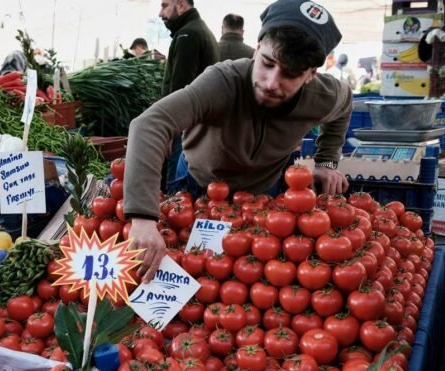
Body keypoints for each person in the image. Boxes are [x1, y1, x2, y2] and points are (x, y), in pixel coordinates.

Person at [124, 0, 352, 282]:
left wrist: (327, 161)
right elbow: (150, 124)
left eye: (290, 74)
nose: (271, 82)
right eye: (267, 63)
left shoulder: (323, 95)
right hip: (198, 184)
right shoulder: (223, 82)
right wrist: (143, 218)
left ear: (310, 75)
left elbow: (345, 105)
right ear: (257, 49)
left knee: (249, 278)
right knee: (193, 274)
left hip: (264, 196)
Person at [158, 0, 219, 193]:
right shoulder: (199, 30)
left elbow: (180, 88)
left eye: (165, 5)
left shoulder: (188, 35)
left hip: (184, 126)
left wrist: (169, 129)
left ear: (182, 5)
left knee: (176, 190)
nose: (161, 13)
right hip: (196, 124)